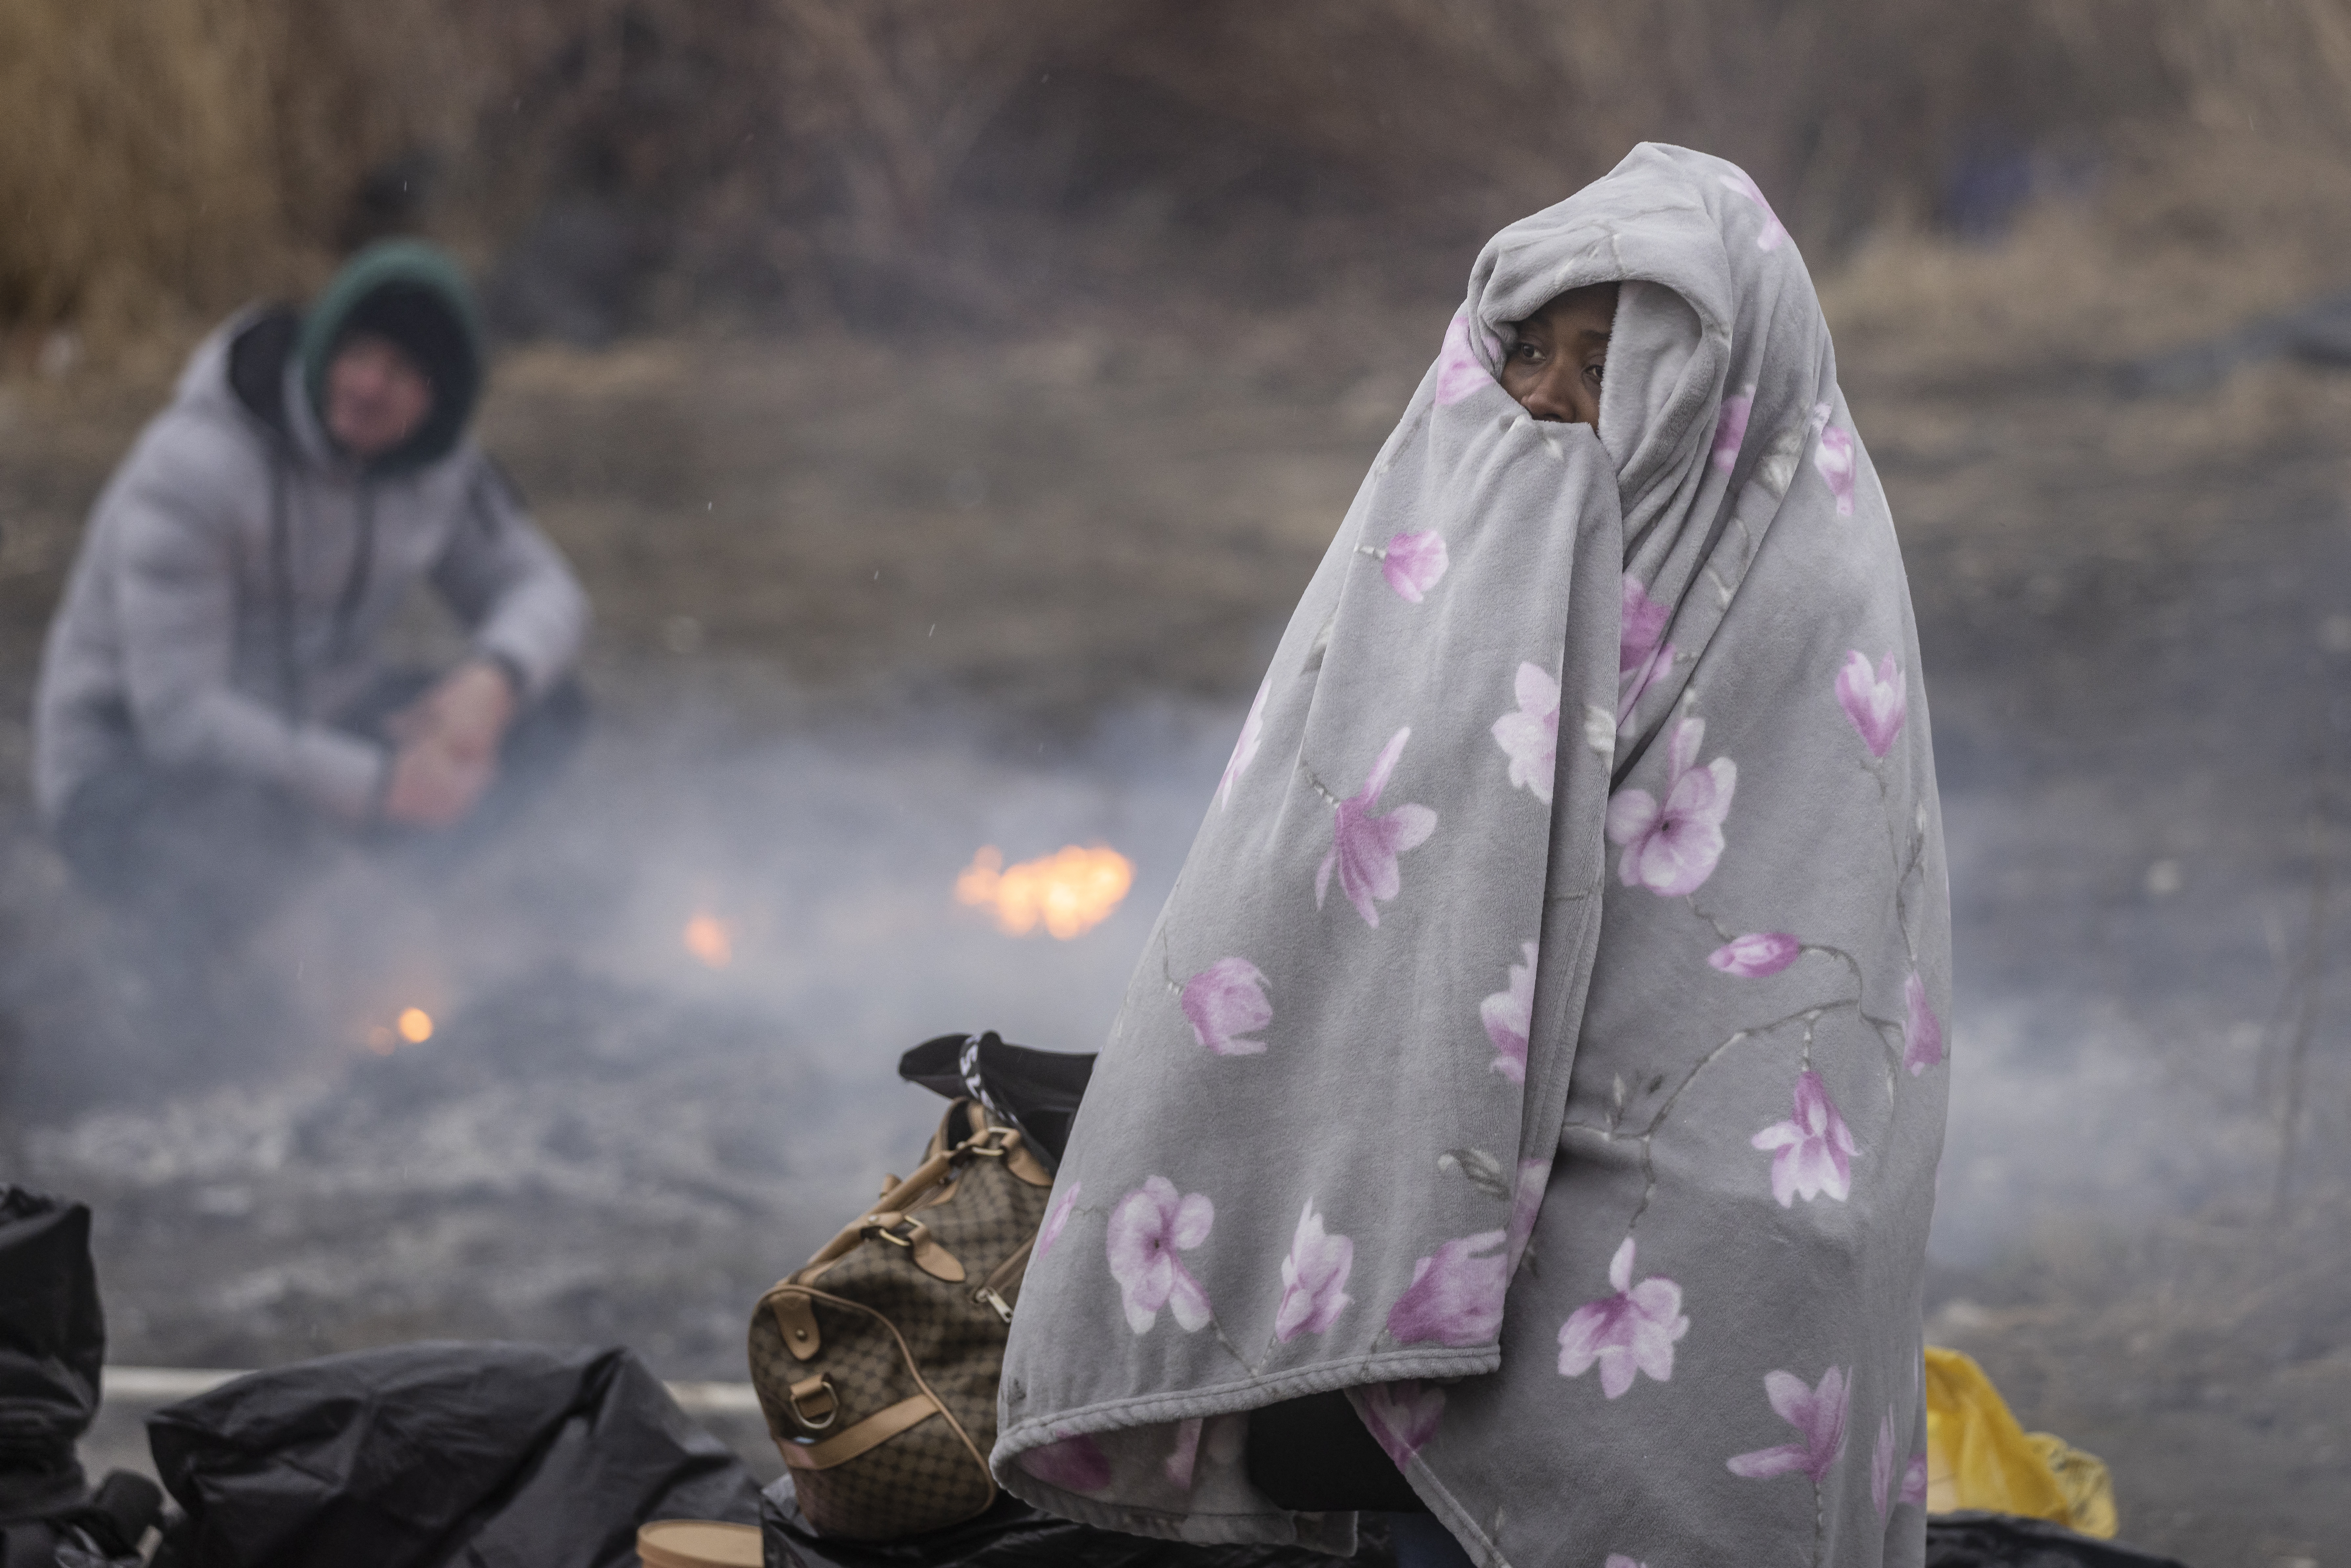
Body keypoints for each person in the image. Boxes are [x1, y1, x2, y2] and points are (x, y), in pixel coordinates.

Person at [990, 145, 1951, 1568]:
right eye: (1533, 356)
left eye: (1611, 363)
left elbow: (1770, 992)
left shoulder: (1801, 586)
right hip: (1472, 1207)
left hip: (1711, 1208)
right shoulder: (1488, 543)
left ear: (1718, 390)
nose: (1558, 403)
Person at [32, 239, 589, 930]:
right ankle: (232, 963)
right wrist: (380, 789)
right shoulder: (195, 468)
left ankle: (389, 921)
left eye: (403, 372)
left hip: (321, 729)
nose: (368, 387)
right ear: (325, 345)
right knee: (219, 881)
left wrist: (496, 679)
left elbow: (547, 591)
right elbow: (179, 717)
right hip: (138, 767)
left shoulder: (439, 469)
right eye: (359, 355)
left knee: (547, 709)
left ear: (440, 402)